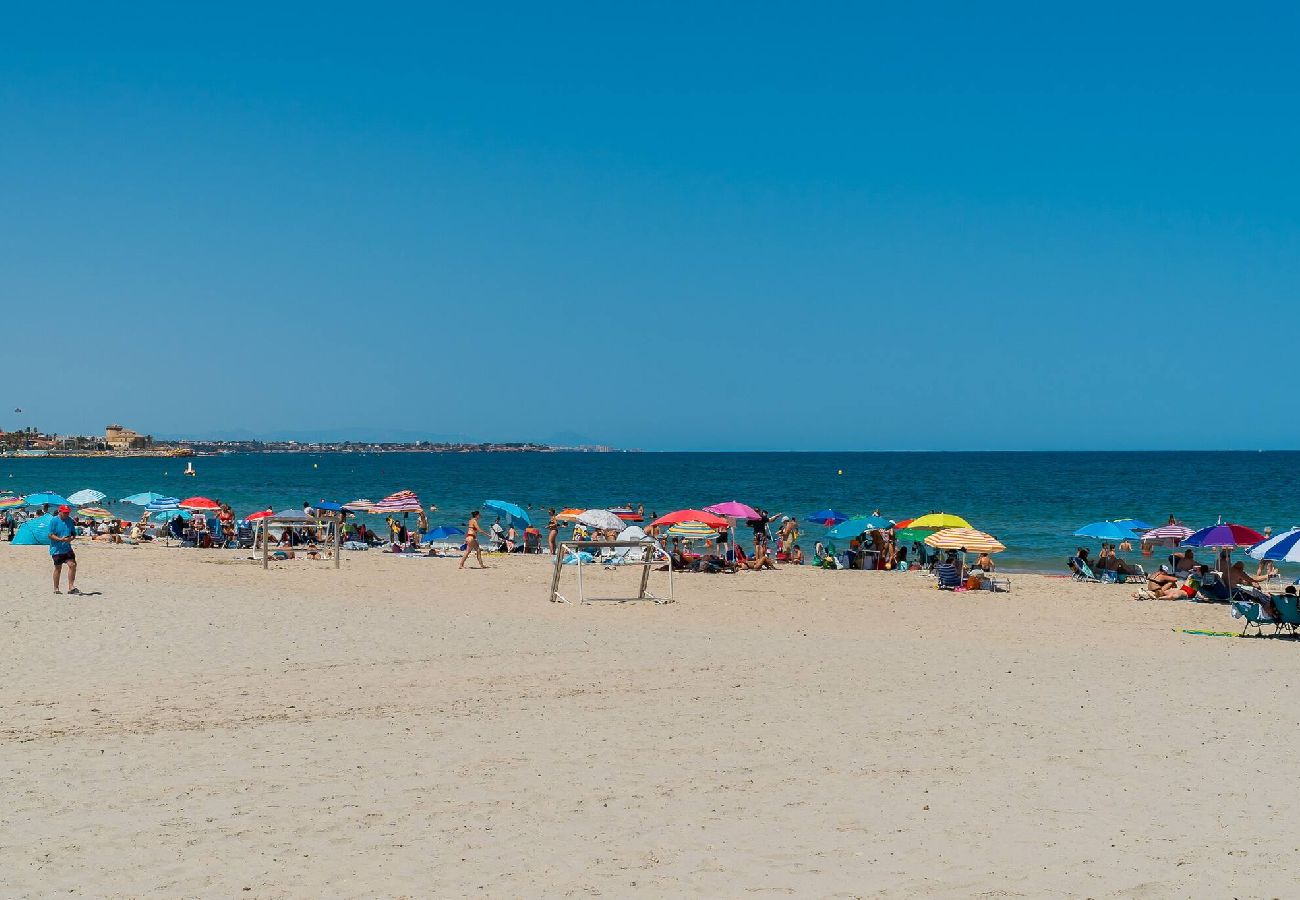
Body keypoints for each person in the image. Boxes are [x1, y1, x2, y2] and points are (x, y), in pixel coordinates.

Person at [49, 504, 79, 594]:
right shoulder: (54, 521)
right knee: (58, 568)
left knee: (72, 565)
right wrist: (61, 539)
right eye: (65, 513)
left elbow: (74, 533)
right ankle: (56, 588)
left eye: (68, 512)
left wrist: (71, 538)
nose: (67, 514)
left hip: (67, 548)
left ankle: (71, 587)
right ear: (60, 511)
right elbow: (50, 535)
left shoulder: (70, 520)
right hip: (56, 549)